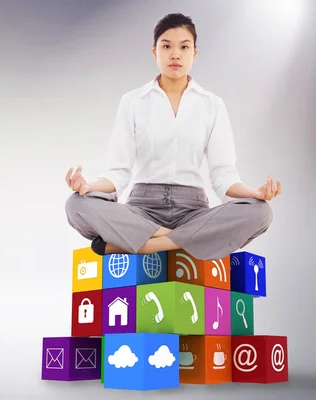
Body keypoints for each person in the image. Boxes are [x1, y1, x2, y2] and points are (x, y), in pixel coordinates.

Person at [64, 12, 281, 261]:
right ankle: (187, 240)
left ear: (194, 53)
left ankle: (147, 244)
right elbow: (118, 172)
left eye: (184, 47)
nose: (175, 54)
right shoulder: (133, 101)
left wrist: (255, 194)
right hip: (142, 209)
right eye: (166, 46)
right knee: (76, 205)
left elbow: (223, 177)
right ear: (154, 52)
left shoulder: (212, 105)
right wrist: (88, 186)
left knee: (261, 212)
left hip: (194, 211)